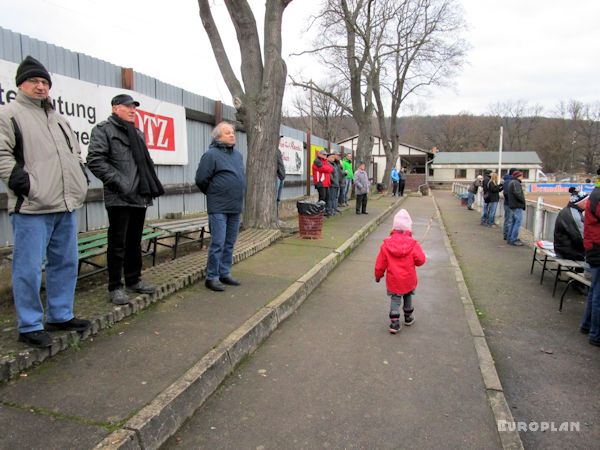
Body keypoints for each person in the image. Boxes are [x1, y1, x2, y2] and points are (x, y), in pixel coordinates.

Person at [0, 56, 90, 347]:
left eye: (44, 82)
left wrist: (80, 177)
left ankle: (60, 314)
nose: (40, 87)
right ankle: (29, 325)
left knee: (65, 262)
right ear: (20, 84)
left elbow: (74, 154)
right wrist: (26, 185)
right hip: (32, 207)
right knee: (27, 268)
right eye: (34, 81)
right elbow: (2, 156)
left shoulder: (60, 119)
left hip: (65, 205)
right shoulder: (9, 114)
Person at [88, 94, 164, 304]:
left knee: (134, 241)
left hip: (140, 195)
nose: (133, 110)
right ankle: (115, 287)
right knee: (118, 243)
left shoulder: (137, 133)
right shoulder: (104, 130)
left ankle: (133, 280)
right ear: (115, 108)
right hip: (119, 197)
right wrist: (122, 184)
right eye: (127, 106)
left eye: (134, 107)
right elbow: (95, 160)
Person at [195, 122, 246, 292]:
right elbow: (201, 180)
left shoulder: (238, 156)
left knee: (230, 242)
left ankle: (224, 272)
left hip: (235, 206)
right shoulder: (211, 155)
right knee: (218, 242)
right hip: (218, 206)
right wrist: (215, 193)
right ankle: (212, 277)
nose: (232, 135)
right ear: (218, 137)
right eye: (227, 133)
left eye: (232, 132)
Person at [374, 209, 426, 334]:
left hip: (394, 279)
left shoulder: (386, 244)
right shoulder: (413, 244)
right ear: (408, 228)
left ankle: (394, 322)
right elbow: (421, 261)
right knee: (408, 295)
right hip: (408, 278)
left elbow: (380, 264)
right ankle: (408, 317)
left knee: (395, 299)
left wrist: (378, 275)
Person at [581, 169, 600, 347]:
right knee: (597, 294)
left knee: (595, 291)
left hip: (593, 248)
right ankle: (595, 333)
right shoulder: (598, 196)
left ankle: (587, 326)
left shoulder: (594, 194)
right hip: (597, 248)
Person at [554, 190, 587, 261]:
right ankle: (582, 271)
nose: (588, 203)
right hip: (568, 252)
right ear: (578, 202)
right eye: (585, 201)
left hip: (561, 248)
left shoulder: (567, 210)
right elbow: (581, 238)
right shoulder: (575, 216)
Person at [506, 170, 526, 246]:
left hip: (514, 205)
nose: (522, 177)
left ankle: (510, 238)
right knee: (517, 222)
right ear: (518, 176)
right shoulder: (515, 183)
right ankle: (513, 239)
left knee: (513, 222)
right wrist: (523, 201)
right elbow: (518, 194)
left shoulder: (512, 182)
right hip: (517, 205)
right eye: (521, 175)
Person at [502, 168, 516, 240]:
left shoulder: (506, 181)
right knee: (509, 220)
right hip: (509, 203)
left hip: (508, 203)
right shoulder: (509, 181)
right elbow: (506, 193)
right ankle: (507, 235)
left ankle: (507, 234)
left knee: (508, 219)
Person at [276, 138, 286, 223]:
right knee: (274, 199)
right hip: (275, 177)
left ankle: (276, 217)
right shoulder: (270, 150)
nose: (279, 141)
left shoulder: (278, 150)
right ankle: (275, 218)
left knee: (278, 199)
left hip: (280, 177)